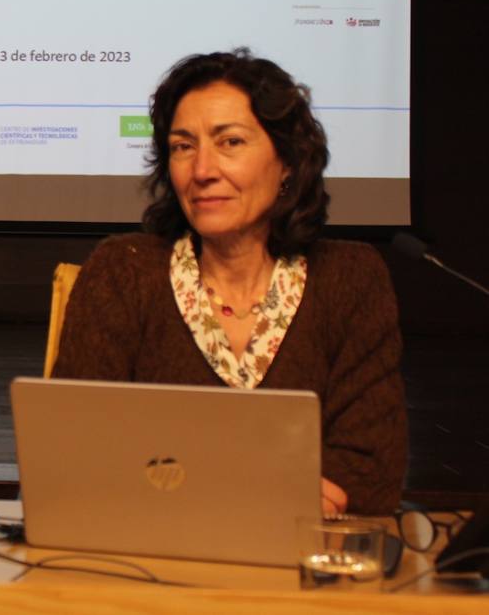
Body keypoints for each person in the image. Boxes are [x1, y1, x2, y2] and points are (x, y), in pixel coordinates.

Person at [51, 49, 407, 516]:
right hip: (147, 562)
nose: (202, 171)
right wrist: (277, 494)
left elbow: (370, 473)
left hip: (302, 571)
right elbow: (71, 452)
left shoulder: (351, 279)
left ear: (287, 163)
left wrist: (182, 488)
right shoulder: (123, 271)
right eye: (183, 146)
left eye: (231, 142)